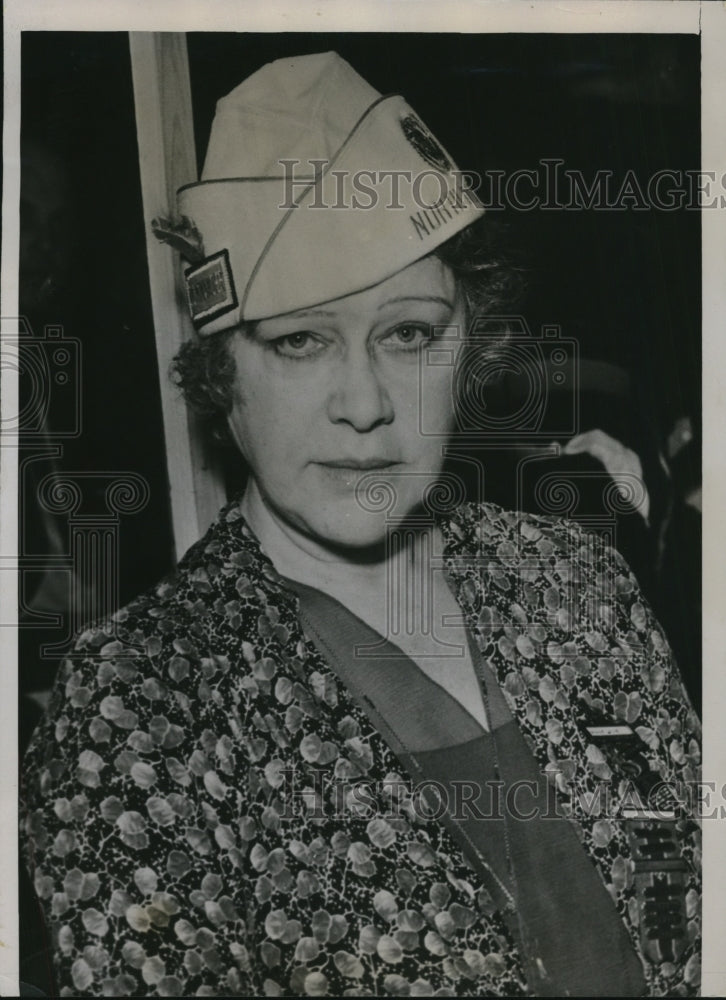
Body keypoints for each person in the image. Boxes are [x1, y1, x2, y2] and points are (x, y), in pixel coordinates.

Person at [21, 52, 701, 997]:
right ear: (222, 379)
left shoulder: (576, 584)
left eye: (410, 334)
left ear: (470, 348)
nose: (366, 403)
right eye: (300, 341)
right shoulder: (142, 706)